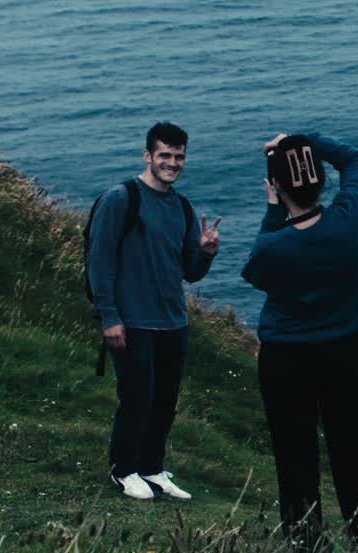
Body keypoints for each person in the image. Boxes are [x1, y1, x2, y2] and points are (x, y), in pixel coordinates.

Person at [241, 132, 358, 553]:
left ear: (277, 187)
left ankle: (307, 552)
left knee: (296, 458)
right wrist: (303, 141)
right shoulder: (345, 222)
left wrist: (274, 213)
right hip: (344, 352)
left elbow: (256, 273)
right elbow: (357, 161)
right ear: (321, 182)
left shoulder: (274, 245)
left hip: (286, 360)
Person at [88, 122, 221, 501]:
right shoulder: (121, 198)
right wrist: (109, 316)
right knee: (137, 397)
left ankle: (151, 468)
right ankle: (123, 470)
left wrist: (207, 254)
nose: (172, 163)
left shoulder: (181, 206)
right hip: (132, 320)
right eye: (164, 155)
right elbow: (100, 261)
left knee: (164, 400)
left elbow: (189, 272)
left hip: (173, 321)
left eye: (179, 156)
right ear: (148, 156)